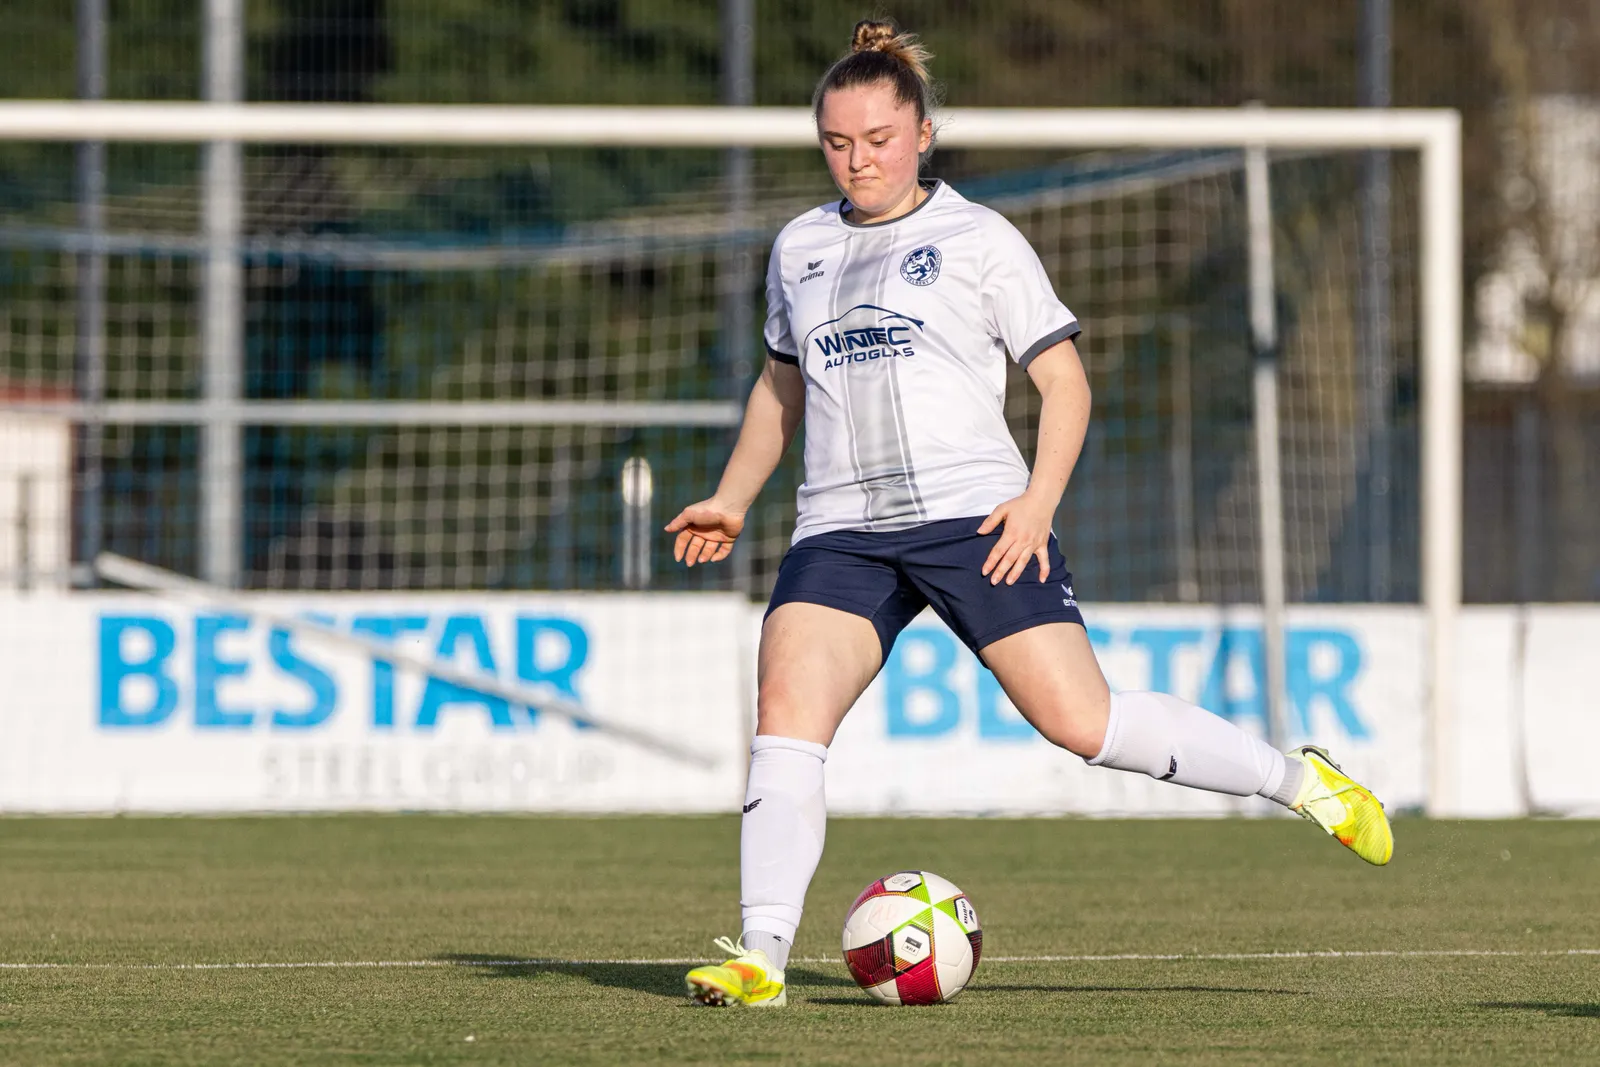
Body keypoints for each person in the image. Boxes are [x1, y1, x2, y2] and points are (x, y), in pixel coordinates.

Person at [669, 19, 1392, 1009]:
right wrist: (731, 496)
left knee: (1082, 723)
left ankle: (1300, 781)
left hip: (976, 517)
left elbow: (1065, 384)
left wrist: (1034, 503)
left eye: (878, 139)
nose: (858, 159)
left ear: (922, 133)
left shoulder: (979, 239)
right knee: (785, 722)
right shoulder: (798, 246)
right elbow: (779, 388)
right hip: (840, 530)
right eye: (837, 142)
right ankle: (760, 958)